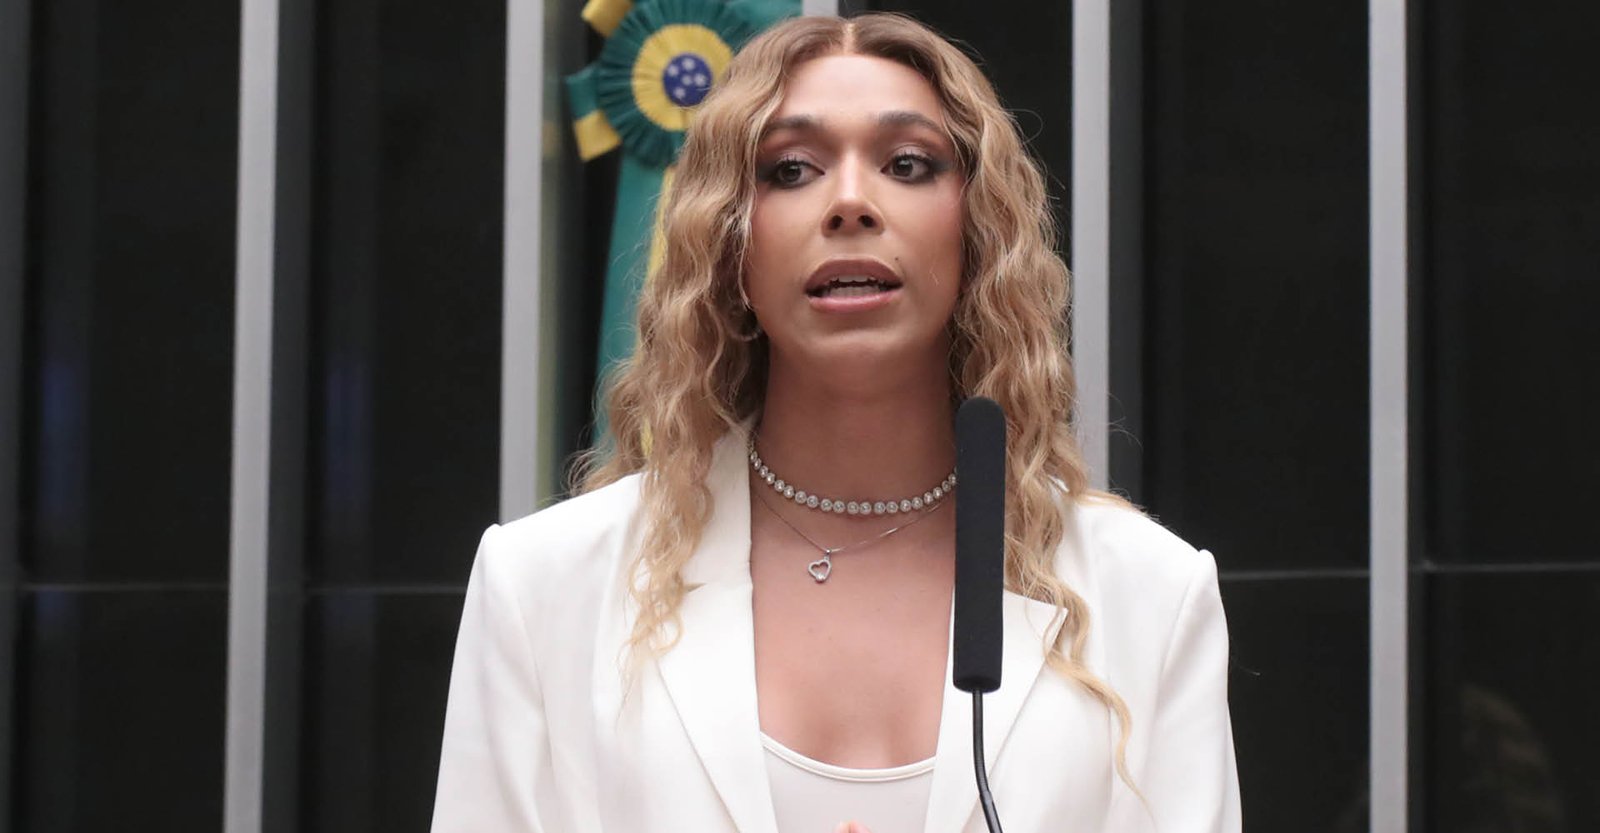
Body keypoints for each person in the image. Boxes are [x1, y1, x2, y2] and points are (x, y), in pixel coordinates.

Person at [431, 12, 1239, 833]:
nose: (850, 202)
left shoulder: (1151, 596)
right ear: (727, 242)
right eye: (791, 169)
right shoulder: (542, 588)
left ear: (979, 229)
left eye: (908, 163)